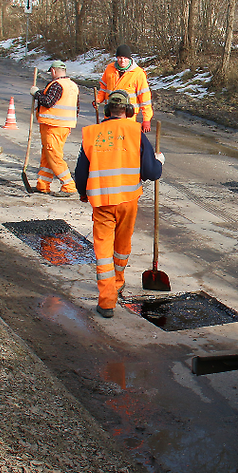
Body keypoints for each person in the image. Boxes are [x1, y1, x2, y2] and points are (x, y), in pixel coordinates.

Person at [74, 89, 164, 318]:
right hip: (127, 201)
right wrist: (159, 162)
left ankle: (106, 301)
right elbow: (151, 172)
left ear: (106, 110)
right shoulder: (136, 132)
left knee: (103, 252)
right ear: (129, 111)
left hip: (102, 202)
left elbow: (81, 173)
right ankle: (119, 282)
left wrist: (83, 194)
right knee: (121, 246)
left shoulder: (92, 133)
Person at [30, 61, 80, 196]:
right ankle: (43, 185)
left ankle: (69, 185)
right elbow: (76, 108)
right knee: (47, 155)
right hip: (64, 126)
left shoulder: (57, 85)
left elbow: (48, 101)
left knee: (53, 156)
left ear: (53, 71)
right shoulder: (73, 86)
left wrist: (36, 94)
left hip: (53, 125)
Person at [95, 45, 153, 133]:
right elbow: (103, 87)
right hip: (110, 113)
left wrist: (146, 119)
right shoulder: (110, 69)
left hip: (128, 116)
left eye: (125, 58)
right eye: (120, 58)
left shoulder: (138, 73)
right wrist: (98, 100)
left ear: (129, 58)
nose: (122, 61)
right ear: (117, 58)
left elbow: (145, 98)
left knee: (126, 143)